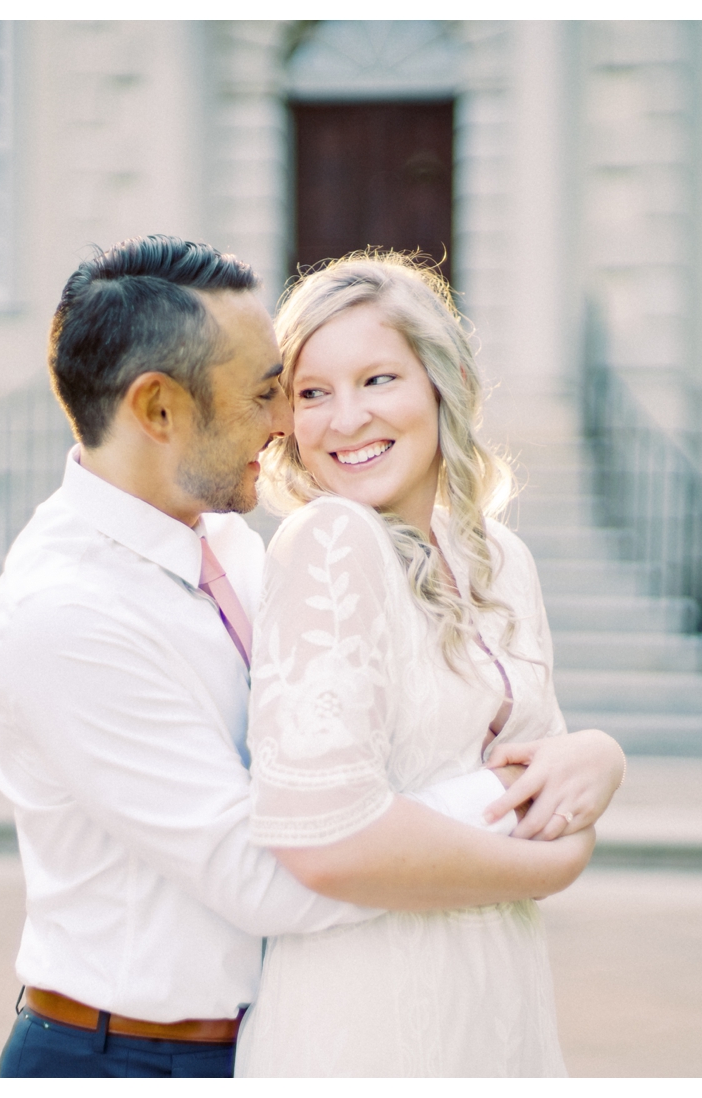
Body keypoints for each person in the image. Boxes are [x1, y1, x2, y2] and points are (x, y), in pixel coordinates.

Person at [0, 236, 622, 1079]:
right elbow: (273, 874)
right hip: (124, 1057)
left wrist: (589, 757)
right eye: (268, 393)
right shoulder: (66, 616)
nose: (290, 424)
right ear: (160, 410)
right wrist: (527, 816)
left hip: (267, 1030)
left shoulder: (228, 544)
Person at [234, 253, 626, 1077]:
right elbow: (326, 841)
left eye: (378, 380)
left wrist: (598, 755)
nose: (345, 420)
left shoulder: (500, 557)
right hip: (369, 1010)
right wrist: (552, 863)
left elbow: (543, 782)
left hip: (498, 991)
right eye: (312, 393)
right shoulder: (329, 543)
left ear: (440, 384)